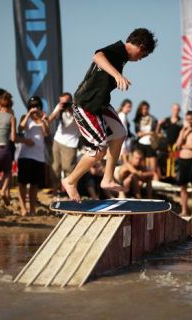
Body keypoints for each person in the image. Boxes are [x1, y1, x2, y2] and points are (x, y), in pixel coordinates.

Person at [62, 28, 157, 202]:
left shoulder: (121, 58)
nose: (140, 59)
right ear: (140, 46)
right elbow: (97, 56)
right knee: (99, 148)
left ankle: (107, 179)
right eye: (143, 55)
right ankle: (70, 181)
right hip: (86, 104)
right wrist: (117, 75)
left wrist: (117, 73)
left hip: (101, 105)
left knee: (120, 133)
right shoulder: (118, 49)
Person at [17, 96, 50, 215]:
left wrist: (43, 120)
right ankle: (22, 208)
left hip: (39, 157)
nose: (34, 108)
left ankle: (32, 209)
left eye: (37, 106)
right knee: (22, 183)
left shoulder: (43, 119)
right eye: (32, 106)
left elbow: (46, 133)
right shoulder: (25, 118)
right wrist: (28, 114)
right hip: (25, 155)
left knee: (34, 185)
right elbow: (20, 129)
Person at [48, 92, 80, 196]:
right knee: (55, 168)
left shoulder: (77, 109)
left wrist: (71, 109)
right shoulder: (60, 107)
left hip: (71, 143)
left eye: (65, 102)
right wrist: (58, 109)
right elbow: (49, 120)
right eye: (61, 102)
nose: (63, 104)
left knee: (68, 169)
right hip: (58, 140)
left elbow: (81, 122)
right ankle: (54, 191)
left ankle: (69, 192)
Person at [175, 111, 192, 218]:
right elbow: (177, 145)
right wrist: (184, 132)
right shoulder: (183, 131)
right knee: (183, 187)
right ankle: (184, 210)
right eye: (187, 119)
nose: (189, 121)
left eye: (191, 119)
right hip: (182, 159)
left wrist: (184, 145)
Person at [133, 100, 159, 179]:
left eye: (146, 108)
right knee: (142, 166)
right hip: (141, 144)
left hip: (150, 143)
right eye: (143, 109)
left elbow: (155, 133)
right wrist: (148, 133)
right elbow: (138, 134)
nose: (145, 110)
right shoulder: (138, 120)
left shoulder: (153, 119)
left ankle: (154, 183)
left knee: (153, 168)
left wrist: (148, 133)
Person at [117, 99, 134, 163]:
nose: (129, 109)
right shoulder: (122, 115)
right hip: (123, 143)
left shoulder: (123, 116)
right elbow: (122, 132)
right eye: (128, 107)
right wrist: (123, 146)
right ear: (122, 106)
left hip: (124, 142)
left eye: (130, 107)